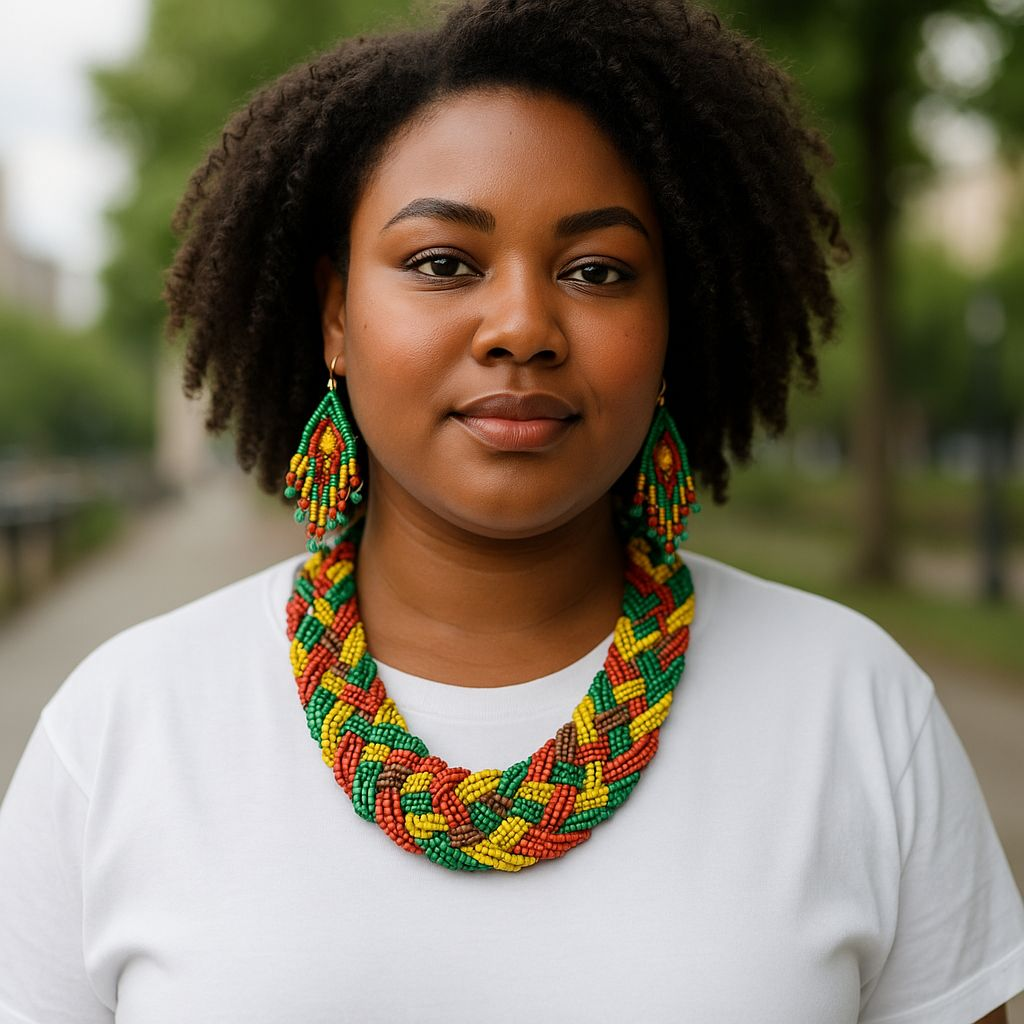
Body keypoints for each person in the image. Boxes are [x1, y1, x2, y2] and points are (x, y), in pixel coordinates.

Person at [1, 0, 1022, 1020]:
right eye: (443, 263)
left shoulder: (858, 710)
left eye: (597, 271)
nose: (524, 326)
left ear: (671, 323)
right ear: (336, 316)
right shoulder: (123, 730)